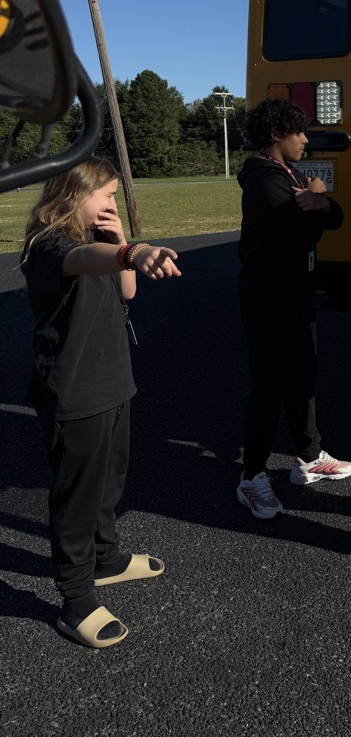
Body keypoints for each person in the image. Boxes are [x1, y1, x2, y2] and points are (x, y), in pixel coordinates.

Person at [20, 156, 182, 648]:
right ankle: (75, 598)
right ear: (75, 193)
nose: (112, 203)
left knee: (110, 480)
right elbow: (85, 262)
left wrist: (120, 242)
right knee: (77, 496)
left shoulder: (101, 243)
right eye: (106, 195)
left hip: (113, 381)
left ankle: (106, 558)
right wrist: (130, 250)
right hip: (74, 390)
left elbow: (126, 291)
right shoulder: (50, 246)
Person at [236, 98, 351, 519]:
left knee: (303, 376)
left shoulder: (291, 173)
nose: (306, 140)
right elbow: (305, 228)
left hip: (296, 293)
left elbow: (332, 217)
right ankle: (252, 477)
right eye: (298, 132)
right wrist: (319, 200)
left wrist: (321, 201)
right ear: (275, 136)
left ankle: (308, 458)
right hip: (269, 297)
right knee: (269, 385)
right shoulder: (264, 180)